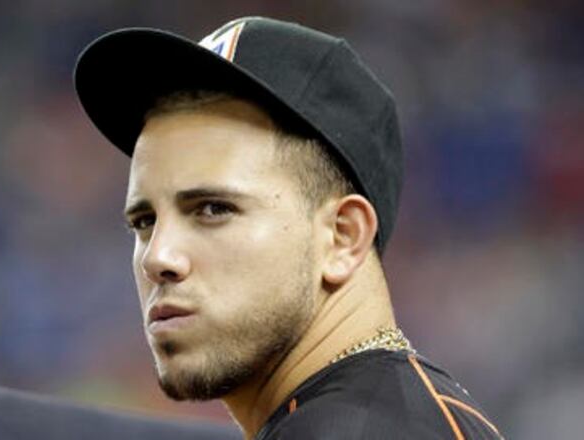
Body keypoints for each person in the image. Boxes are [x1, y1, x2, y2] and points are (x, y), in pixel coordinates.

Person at [74, 17, 502, 439]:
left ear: (343, 237)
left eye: (212, 209)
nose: (157, 257)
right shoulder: (397, 412)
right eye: (144, 222)